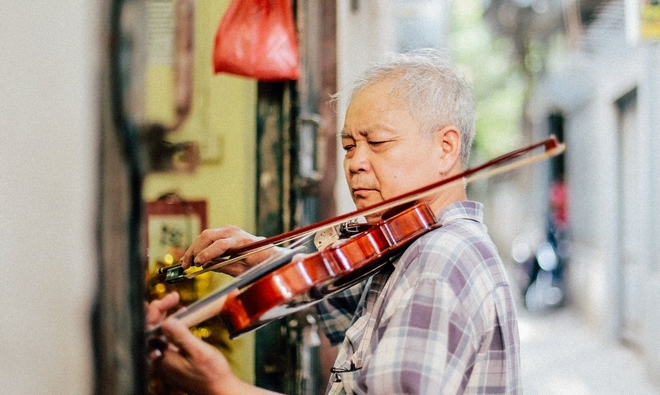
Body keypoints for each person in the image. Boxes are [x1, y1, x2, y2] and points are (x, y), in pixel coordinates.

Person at [146, 48, 521, 394]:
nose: (355, 162)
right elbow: (348, 308)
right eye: (348, 146)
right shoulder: (410, 252)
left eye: (377, 142)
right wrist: (261, 260)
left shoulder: (441, 258)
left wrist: (220, 386)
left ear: (446, 148)